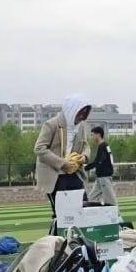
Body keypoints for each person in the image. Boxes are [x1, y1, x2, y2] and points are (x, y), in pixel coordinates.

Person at [35, 95, 92, 224]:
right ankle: (59, 240)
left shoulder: (81, 126)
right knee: (62, 214)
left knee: (84, 206)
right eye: (80, 113)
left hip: (74, 173)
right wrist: (62, 163)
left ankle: (81, 240)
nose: (82, 117)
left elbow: (85, 145)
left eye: (85, 114)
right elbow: (39, 149)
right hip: (55, 175)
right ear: (72, 110)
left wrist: (84, 156)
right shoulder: (51, 124)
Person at [85, 125, 118, 207]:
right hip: (100, 177)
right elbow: (99, 161)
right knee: (91, 198)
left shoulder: (103, 146)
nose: (92, 137)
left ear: (98, 135)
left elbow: (99, 161)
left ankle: (117, 217)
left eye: (92, 135)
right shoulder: (104, 146)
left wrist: (86, 168)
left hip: (104, 177)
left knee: (110, 200)